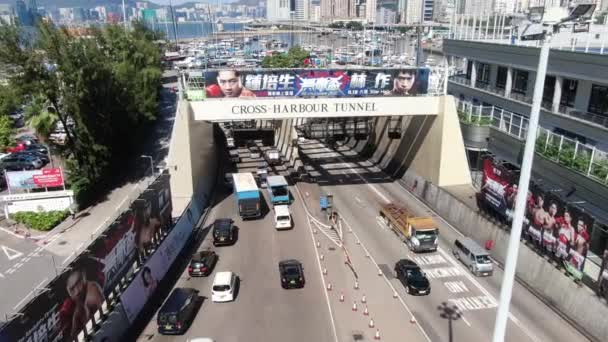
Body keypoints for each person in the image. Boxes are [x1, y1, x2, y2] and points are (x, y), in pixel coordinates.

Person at [60, 269, 105, 339]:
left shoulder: (92, 294)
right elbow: (73, 335)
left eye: (78, 283)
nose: (77, 291)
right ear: (68, 292)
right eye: (72, 289)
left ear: (84, 277)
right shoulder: (76, 307)